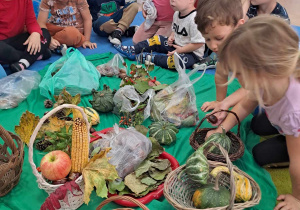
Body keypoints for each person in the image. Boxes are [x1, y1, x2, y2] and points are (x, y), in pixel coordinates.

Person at [206, 16, 300, 210]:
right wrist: (221, 130)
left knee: (261, 154)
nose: (235, 78)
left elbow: (299, 163)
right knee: (257, 123)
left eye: (238, 73)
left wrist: (297, 198)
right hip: (285, 120)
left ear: (262, 72)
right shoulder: (269, 80)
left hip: (294, 129)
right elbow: (245, 105)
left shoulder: (293, 110)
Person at [193, 0, 245, 124]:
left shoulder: (247, 51)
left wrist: (225, 104)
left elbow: (253, 88)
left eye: (219, 38)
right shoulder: (226, 46)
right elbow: (221, 74)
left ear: (239, 27)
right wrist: (219, 102)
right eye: (207, 39)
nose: (212, 46)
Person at [114, 0, 205, 70]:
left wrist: (181, 50)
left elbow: (199, 43)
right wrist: (172, 36)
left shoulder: (195, 19)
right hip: (176, 45)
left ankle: (151, 58)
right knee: (157, 39)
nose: (172, 1)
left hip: (192, 53)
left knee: (176, 62)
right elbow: (175, 28)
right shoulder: (177, 13)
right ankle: (133, 50)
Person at [0, 0, 51, 72]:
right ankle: (34, 56)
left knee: (44, 33)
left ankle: (24, 62)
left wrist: (35, 33)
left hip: (17, 40)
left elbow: (31, 21)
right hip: (3, 45)